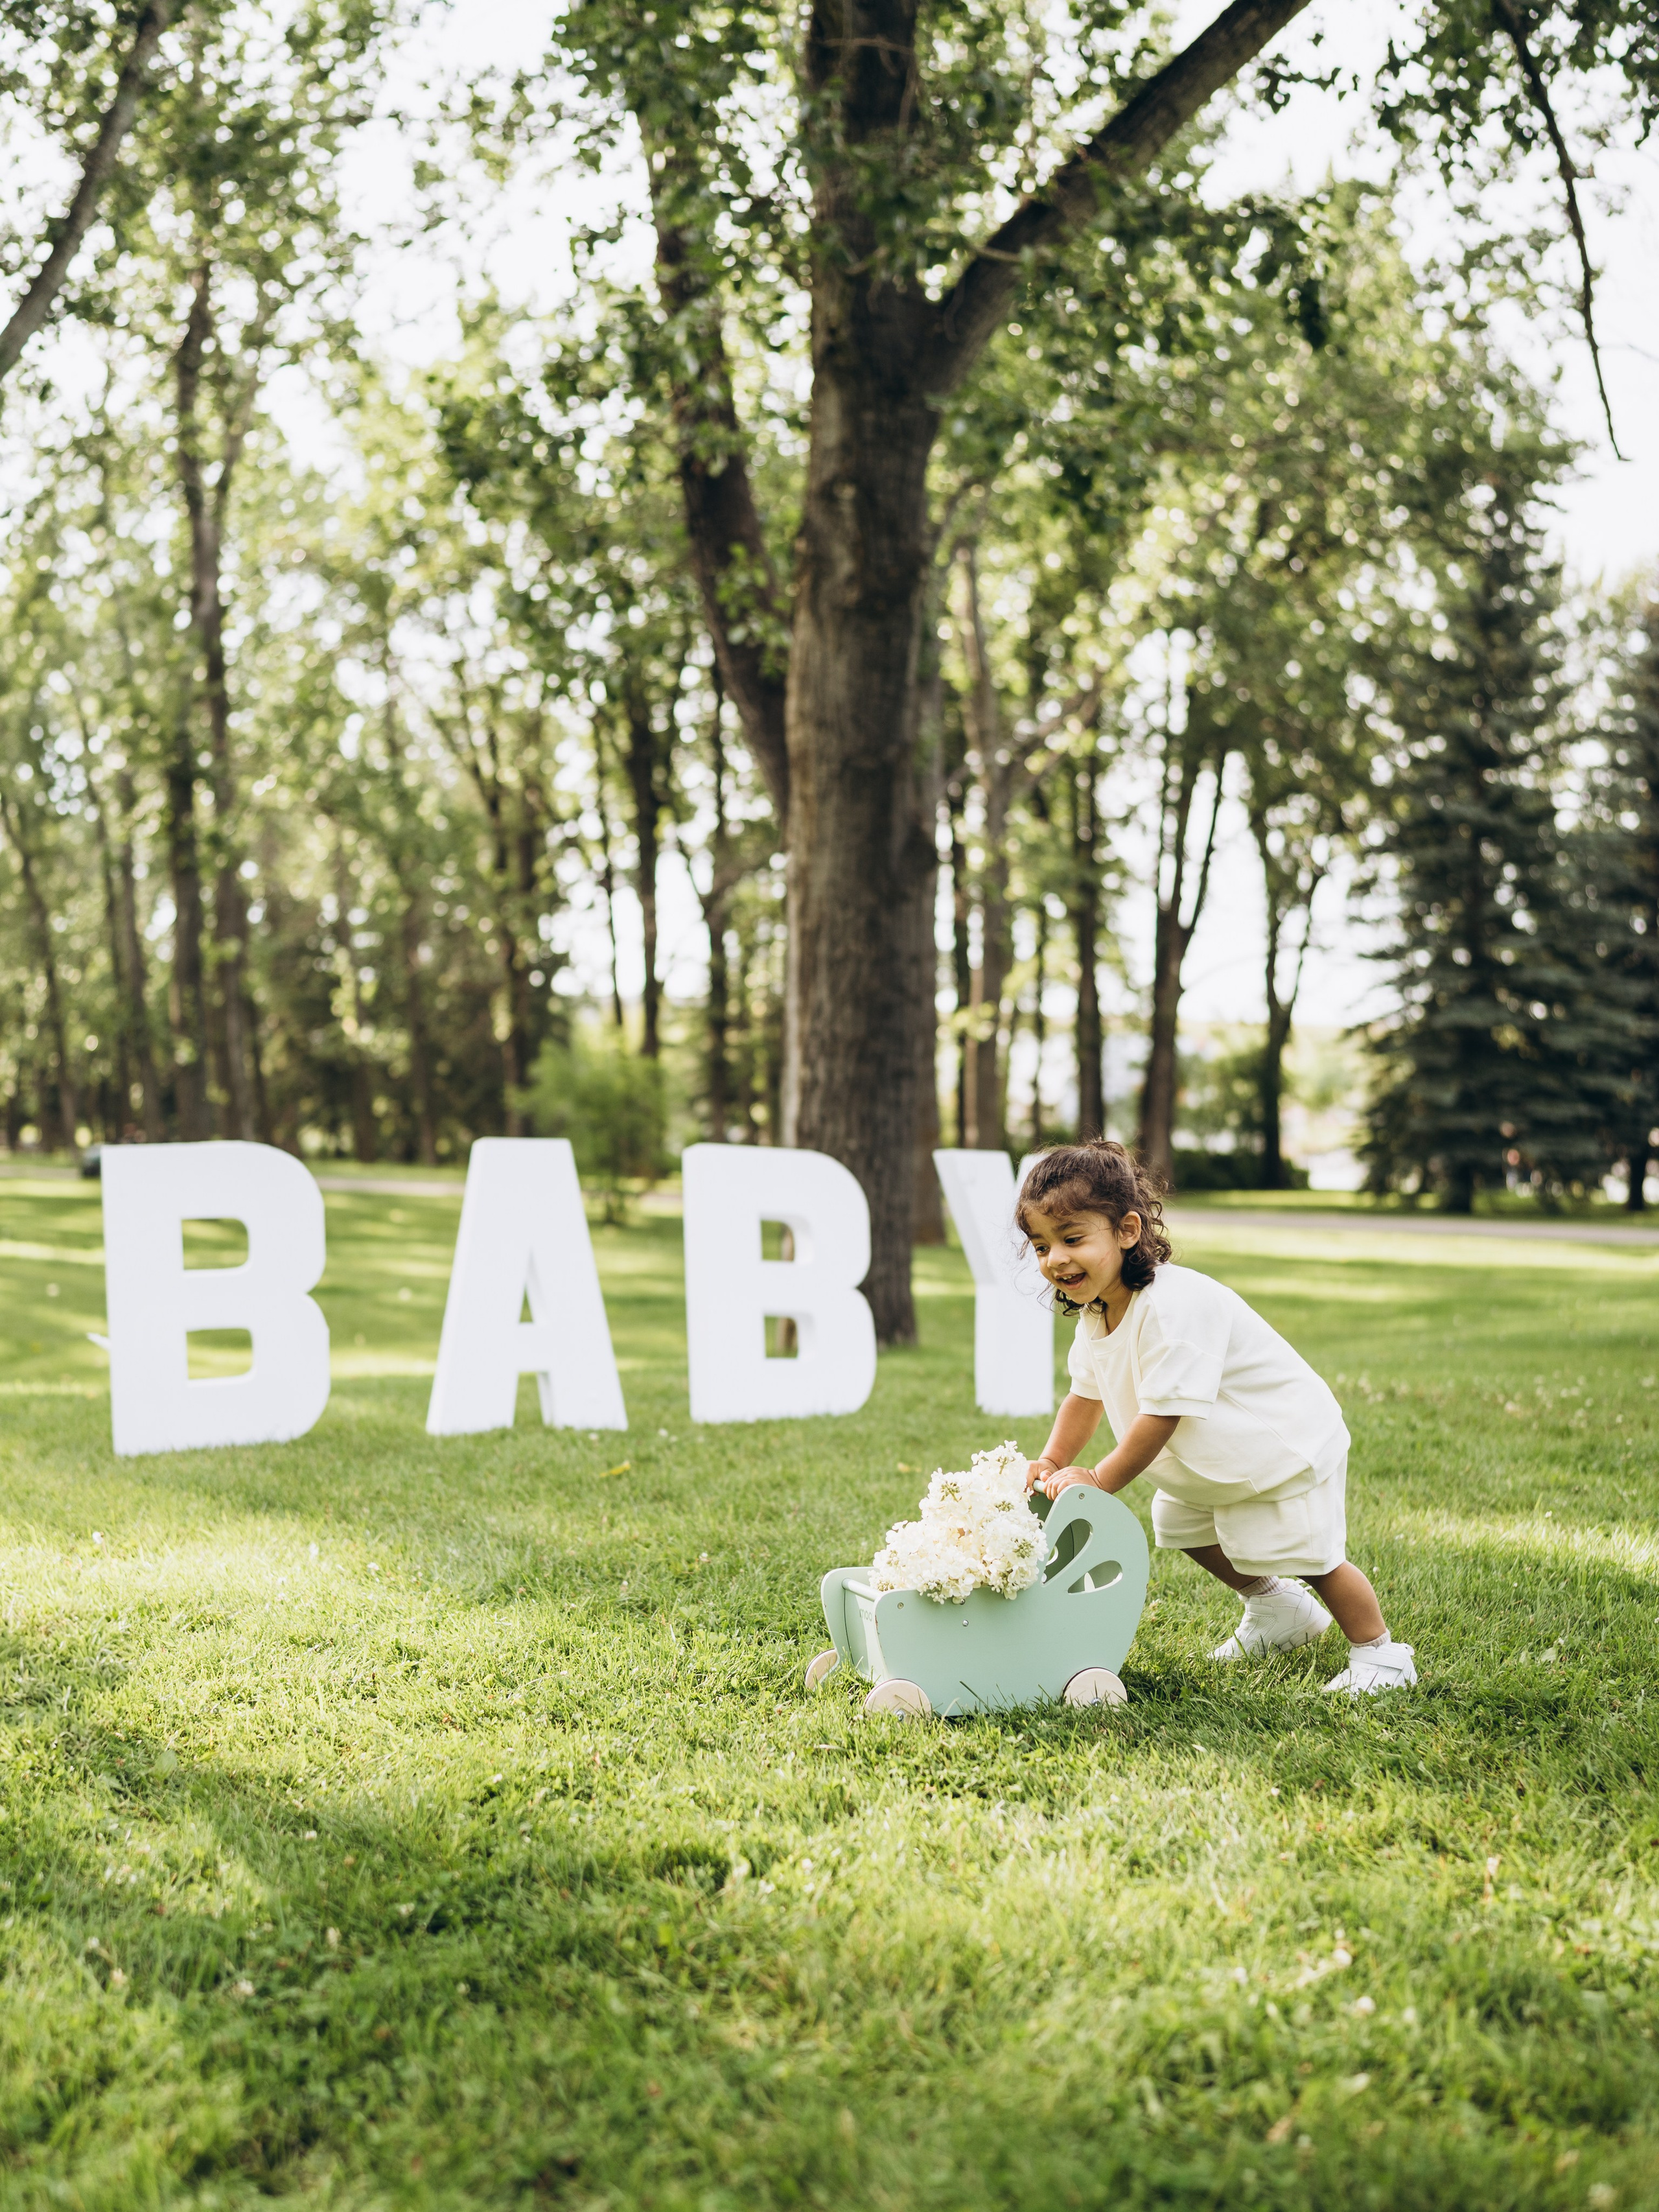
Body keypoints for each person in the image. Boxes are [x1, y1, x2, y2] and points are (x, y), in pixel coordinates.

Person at [1018, 1139, 1415, 1695]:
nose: (1054, 1258)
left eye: (1072, 1238)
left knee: (1311, 1554)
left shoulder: (1173, 1306)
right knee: (1182, 1525)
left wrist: (1099, 1479)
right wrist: (1056, 1459)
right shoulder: (1099, 1313)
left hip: (1279, 1442)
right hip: (1213, 1459)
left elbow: (1163, 1415)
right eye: (1040, 1246)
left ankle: (1381, 1654)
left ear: (1128, 1231)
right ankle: (1278, 1610)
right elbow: (1085, 1396)